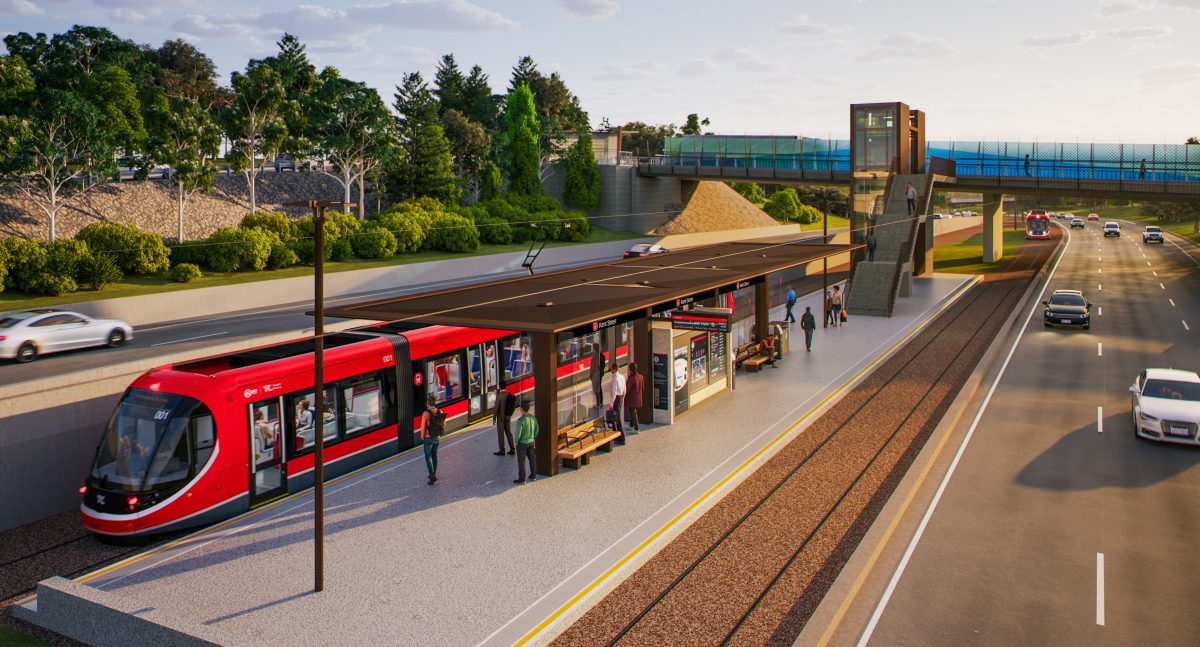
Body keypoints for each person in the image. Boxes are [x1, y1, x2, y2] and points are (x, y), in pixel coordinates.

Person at [420, 395, 445, 485]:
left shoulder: (425, 413)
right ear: (435, 403)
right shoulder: (439, 411)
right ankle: (434, 473)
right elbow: (444, 425)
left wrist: (422, 436)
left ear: (428, 403)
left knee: (428, 456)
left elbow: (423, 426)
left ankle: (432, 475)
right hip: (437, 437)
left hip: (428, 438)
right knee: (434, 455)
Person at [513, 400, 538, 484]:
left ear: (521, 409)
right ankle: (533, 475)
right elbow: (537, 429)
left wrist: (516, 441)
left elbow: (518, 433)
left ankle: (522, 479)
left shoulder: (521, 420)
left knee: (521, 460)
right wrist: (533, 437)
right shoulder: (533, 418)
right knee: (532, 459)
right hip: (531, 441)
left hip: (522, 443)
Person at [492, 386, 516, 456]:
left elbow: (496, 408)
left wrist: (494, 418)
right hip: (508, 417)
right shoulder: (509, 394)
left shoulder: (499, 396)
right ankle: (512, 449)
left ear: (499, 386)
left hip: (501, 418)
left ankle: (502, 450)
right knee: (508, 432)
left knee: (501, 433)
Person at [607, 363, 627, 444]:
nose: (610, 370)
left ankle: (621, 438)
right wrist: (623, 399)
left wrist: (611, 404)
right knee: (616, 419)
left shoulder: (615, 378)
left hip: (616, 398)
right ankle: (616, 436)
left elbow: (614, 392)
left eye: (611, 368)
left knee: (617, 419)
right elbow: (625, 388)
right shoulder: (621, 376)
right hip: (621, 397)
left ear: (614, 369)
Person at [624, 362, 645, 433]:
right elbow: (643, 387)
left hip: (631, 398)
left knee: (633, 412)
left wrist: (623, 395)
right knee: (633, 411)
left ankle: (637, 428)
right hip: (638, 397)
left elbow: (627, 389)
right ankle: (631, 425)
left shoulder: (632, 378)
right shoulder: (641, 377)